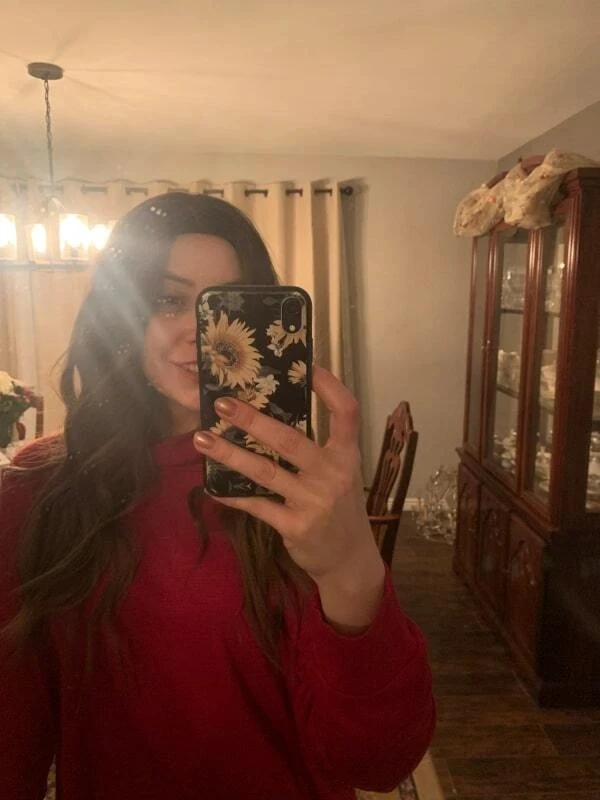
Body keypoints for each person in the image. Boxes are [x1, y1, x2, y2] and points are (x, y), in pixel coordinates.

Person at [0, 192, 435, 800]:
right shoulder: (37, 489)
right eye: (168, 300)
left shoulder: (305, 495)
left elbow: (377, 762)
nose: (203, 333)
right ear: (122, 317)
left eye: (227, 304)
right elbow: (14, 727)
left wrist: (352, 573)